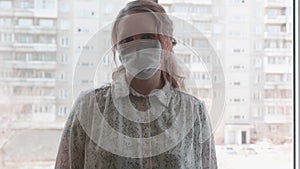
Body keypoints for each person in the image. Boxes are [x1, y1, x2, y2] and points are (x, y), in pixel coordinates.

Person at [55, 0, 218, 169]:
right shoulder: (89, 106)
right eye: (128, 39)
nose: (138, 45)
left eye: (148, 36)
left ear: (168, 43)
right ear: (118, 48)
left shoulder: (193, 111)